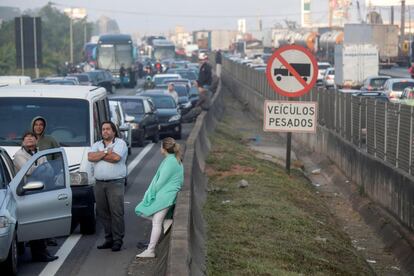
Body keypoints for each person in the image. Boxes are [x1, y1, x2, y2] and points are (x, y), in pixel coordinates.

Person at [13, 131, 59, 262]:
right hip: (26, 192)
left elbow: (50, 170)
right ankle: (39, 254)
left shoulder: (40, 153)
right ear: (22, 142)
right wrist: (41, 168)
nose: (29, 139)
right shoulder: (18, 155)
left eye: (32, 137)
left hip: (40, 190)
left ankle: (42, 251)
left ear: (36, 140)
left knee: (41, 222)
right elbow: (28, 171)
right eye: (26, 137)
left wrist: (40, 169)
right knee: (33, 223)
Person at [135, 137, 184, 258]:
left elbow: (160, 181)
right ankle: (166, 221)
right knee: (143, 212)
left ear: (164, 148)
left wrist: (150, 194)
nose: (160, 149)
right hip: (167, 193)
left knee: (154, 220)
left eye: (160, 146)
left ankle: (150, 250)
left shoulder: (170, 161)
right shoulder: (171, 159)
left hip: (166, 195)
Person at [88, 121, 128, 252]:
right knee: (103, 213)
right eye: (103, 129)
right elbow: (90, 157)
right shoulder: (96, 144)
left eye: (108, 129)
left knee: (116, 212)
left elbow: (116, 158)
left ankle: (118, 240)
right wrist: (106, 152)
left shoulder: (120, 143)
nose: (105, 131)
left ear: (114, 131)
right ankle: (109, 238)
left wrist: (99, 155)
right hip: (99, 183)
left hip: (115, 183)